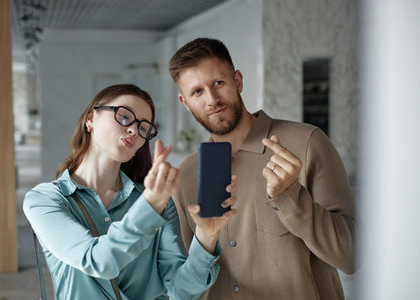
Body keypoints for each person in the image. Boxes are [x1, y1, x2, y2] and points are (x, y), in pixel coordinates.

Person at [168, 38, 355, 299]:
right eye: (197, 92)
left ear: (238, 81)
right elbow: (183, 285)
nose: (211, 99)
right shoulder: (186, 174)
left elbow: (350, 255)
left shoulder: (307, 143)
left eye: (218, 83)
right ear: (185, 102)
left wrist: (289, 195)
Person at [23, 84, 237, 300]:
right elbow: (98, 261)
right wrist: (150, 204)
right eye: (124, 116)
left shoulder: (159, 203)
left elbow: (179, 291)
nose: (134, 130)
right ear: (91, 119)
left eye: (144, 127)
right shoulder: (45, 200)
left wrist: (206, 239)